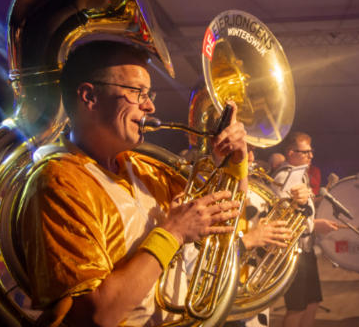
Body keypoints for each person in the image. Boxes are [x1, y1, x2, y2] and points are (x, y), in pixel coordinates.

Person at [18, 40, 248, 327]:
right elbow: (96, 316)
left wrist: (236, 161)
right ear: (89, 97)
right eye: (137, 93)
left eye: (149, 94)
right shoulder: (57, 181)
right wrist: (173, 233)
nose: (150, 105)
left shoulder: (147, 167)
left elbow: (228, 220)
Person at [231, 145, 309, 327]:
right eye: (243, 149)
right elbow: (193, 258)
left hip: (253, 292)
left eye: (252, 151)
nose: (251, 157)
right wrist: (248, 241)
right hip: (217, 298)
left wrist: (298, 205)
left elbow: (280, 236)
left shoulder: (259, 193)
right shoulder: (204, 191)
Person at [273, 132, 338, 327]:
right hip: (293, 252)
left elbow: (303, 211)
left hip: (306, 250)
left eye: (311, 151)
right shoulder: (283, 178)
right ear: (291, 153)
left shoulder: (299, 174)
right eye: (306, 152)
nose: (311, 156)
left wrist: (316, 217)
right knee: (297, 307)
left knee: (312, 302)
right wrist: (315, 224)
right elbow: (284, 217)